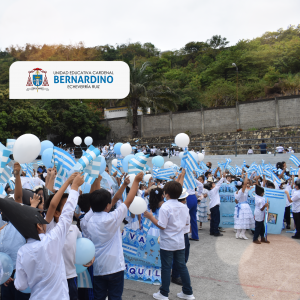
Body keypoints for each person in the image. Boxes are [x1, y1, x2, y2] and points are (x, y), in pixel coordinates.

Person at [14, 173, 85, 299]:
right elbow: (67, 214)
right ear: (39, 226)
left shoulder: (22, 252)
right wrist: (73, 187)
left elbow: (21, 285)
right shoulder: (53, 238)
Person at [87, 172, 143, 300]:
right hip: (115, 267)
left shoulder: (88, 220)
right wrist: (136, 181)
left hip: (98, 267)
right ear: (108, 206)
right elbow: (129, 200)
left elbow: (114, 200)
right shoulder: (112, 218)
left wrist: (124, 184)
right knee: (115, 297)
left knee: (98, 297)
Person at [144, 181, 195, 300]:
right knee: (182, 266)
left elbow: (162, 225)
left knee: (166, 267)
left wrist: (151, 217)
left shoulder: (165, 207)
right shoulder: (183, 207)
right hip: (180, 241)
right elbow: (187, 223)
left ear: (166, 194)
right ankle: (188, 292)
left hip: (167, 242)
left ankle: (164, 293)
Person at [233, 174, 255, 240]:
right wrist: (246, 175)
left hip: (240, 206)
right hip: (244, 207)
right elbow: (245, 183)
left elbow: (236, 201)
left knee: (240, 221)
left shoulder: (236, 192)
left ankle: (238, 234)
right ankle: (242, 234)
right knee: (244, 221)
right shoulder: (242, 190)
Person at [206, 172, 226, 237]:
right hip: (215, 206)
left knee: (213, 219)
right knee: (216, 219)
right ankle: (216, 232)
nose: (215, 184)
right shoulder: (213, 190)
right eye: (213, 184)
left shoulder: (209, 191)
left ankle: (212, 231)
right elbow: (219, 184)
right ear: (211, 187)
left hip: (212, 206)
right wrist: (223, 177)